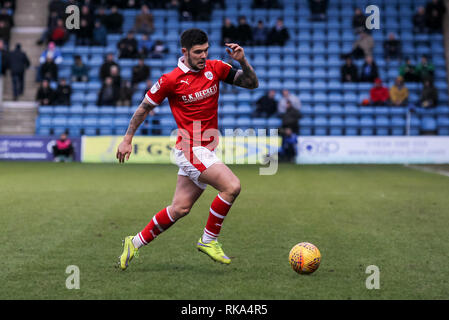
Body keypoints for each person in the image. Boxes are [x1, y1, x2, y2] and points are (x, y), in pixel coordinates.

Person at [116, 28, 259, 270]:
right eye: (198, 52)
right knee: (232, 186)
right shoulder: (170, 80)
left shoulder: (216, 68)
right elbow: (143, 108)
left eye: (206, 51)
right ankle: (208, 240)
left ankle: (134, 242)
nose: (203, 56)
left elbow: (252, 84)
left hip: (208, 148)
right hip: (190, 148)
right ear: (185, 52)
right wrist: (127, 138)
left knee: (180, 208)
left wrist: (242, 61)